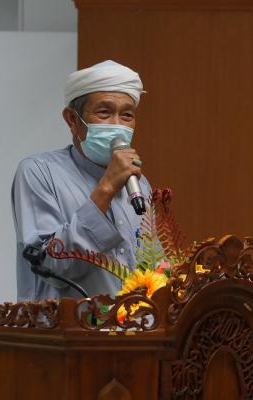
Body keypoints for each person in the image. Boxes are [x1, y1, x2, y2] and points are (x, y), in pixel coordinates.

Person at [11, 60, 151, 301]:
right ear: (72, 120)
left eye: (127, 115)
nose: (117, 125)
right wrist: (106, 188)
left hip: (133, 323)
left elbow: (149, 267)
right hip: (65, 324)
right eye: (104, 112)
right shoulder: (39, 172)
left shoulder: (139, 185)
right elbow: (51, 266)